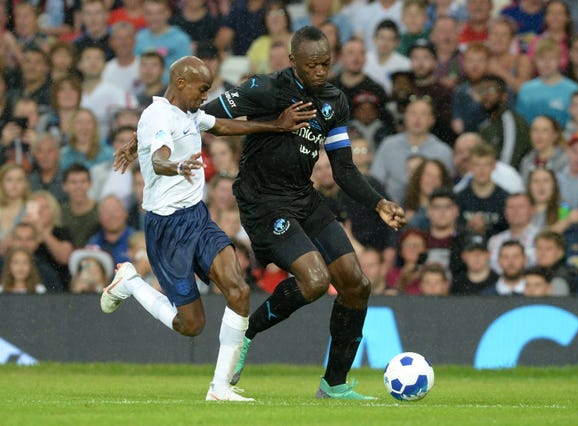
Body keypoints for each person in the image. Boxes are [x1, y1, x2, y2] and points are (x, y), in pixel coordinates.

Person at [194, 27, 403, 399]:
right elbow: (204, 118)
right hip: (262, 202)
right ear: (293, 61)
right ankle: (248, 332)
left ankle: (334, 385)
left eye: (325, 63)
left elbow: (344, 169)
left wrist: (378, 202)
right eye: (312, 65)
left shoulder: (335, 101)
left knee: (357, 284)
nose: (321, 71)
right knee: (315, 281)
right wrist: (272, 124)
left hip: (303, 198)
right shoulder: (266, 89)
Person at [103, 55, 316, 401]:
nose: (205, 96)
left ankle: (220, 388)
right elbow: (159, 157)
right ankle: (130, 282)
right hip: (167, 228)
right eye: (202, 89)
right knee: (192, 325)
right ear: (182, 83)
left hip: (197, 218)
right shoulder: (157, 115)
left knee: (239, 289)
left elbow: (220, 126)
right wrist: (175, 166)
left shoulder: (188, 113)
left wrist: (276, 126)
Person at [477, 74, 531, 169]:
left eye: (491, 90)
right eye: (482, 90)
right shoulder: (485, 125)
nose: (485, 95)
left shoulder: (511, 121)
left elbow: (509, 161)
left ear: (504, 97)